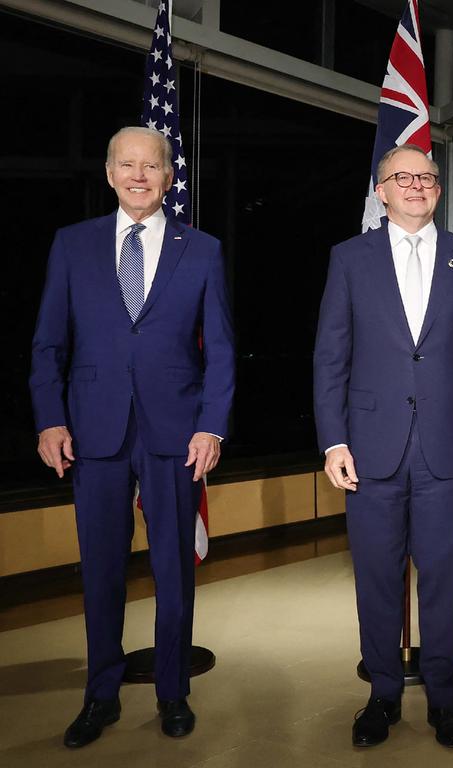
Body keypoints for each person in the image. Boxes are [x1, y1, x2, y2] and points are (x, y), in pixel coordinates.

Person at [29, 126, 235, 747]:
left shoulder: (202, 250)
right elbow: (48, 345)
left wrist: (211, 425)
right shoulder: (73, 245)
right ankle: (101, 695)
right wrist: (49, 418)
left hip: (177, 433)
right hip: (93, 431)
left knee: (173, 569)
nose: (139, 176)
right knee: (101, 572)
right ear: (110, 172)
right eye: (127, 165)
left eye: (151, 166)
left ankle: (173, 692)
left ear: (169, 177)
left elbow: (222, 351)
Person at [313, 143, 453, 749]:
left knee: (444, 578)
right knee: (375, 577)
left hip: (447, 449)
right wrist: (333, 440)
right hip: (369, 449)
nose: (417, 185)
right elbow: (330, 357)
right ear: (381, 190)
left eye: (427, 177)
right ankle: (381, 695)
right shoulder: (349, 259)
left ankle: (445, 701)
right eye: (402, 177)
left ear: (439, 189)